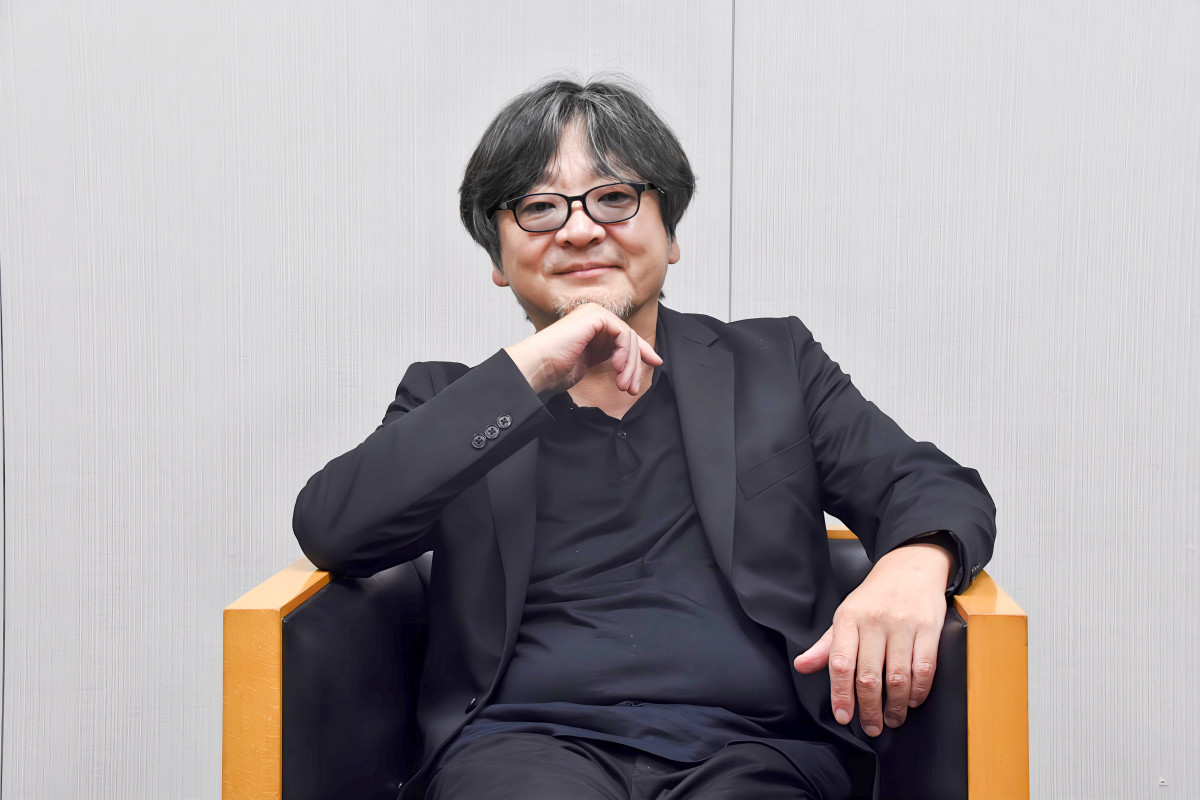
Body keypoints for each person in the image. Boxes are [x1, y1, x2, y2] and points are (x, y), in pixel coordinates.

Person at [293, 76, 996, 800]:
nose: (578, 230)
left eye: (614, 198)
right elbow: (333, 529)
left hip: (757, 754)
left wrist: (914, 564)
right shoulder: (451, 402)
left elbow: (930, 485)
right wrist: (533, 371)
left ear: (671, 234)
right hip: (520, 751)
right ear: (498, 262)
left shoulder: (775, 366)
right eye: (538, 207)